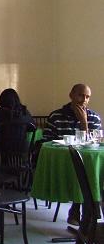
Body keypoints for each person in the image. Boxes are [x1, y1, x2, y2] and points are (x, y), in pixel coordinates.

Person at [43, 83, 101, 226]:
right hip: (63, 164)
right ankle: (87, 214)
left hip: (88, 164)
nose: (84, 100)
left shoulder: (94, 117)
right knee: (85, 173)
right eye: (81, 95)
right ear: (71, 95)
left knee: (90, 172)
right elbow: (46, 142)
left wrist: (84, 124)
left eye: (88, 97)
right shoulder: (56, 116)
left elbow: (95, 143)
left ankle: (84, 215)